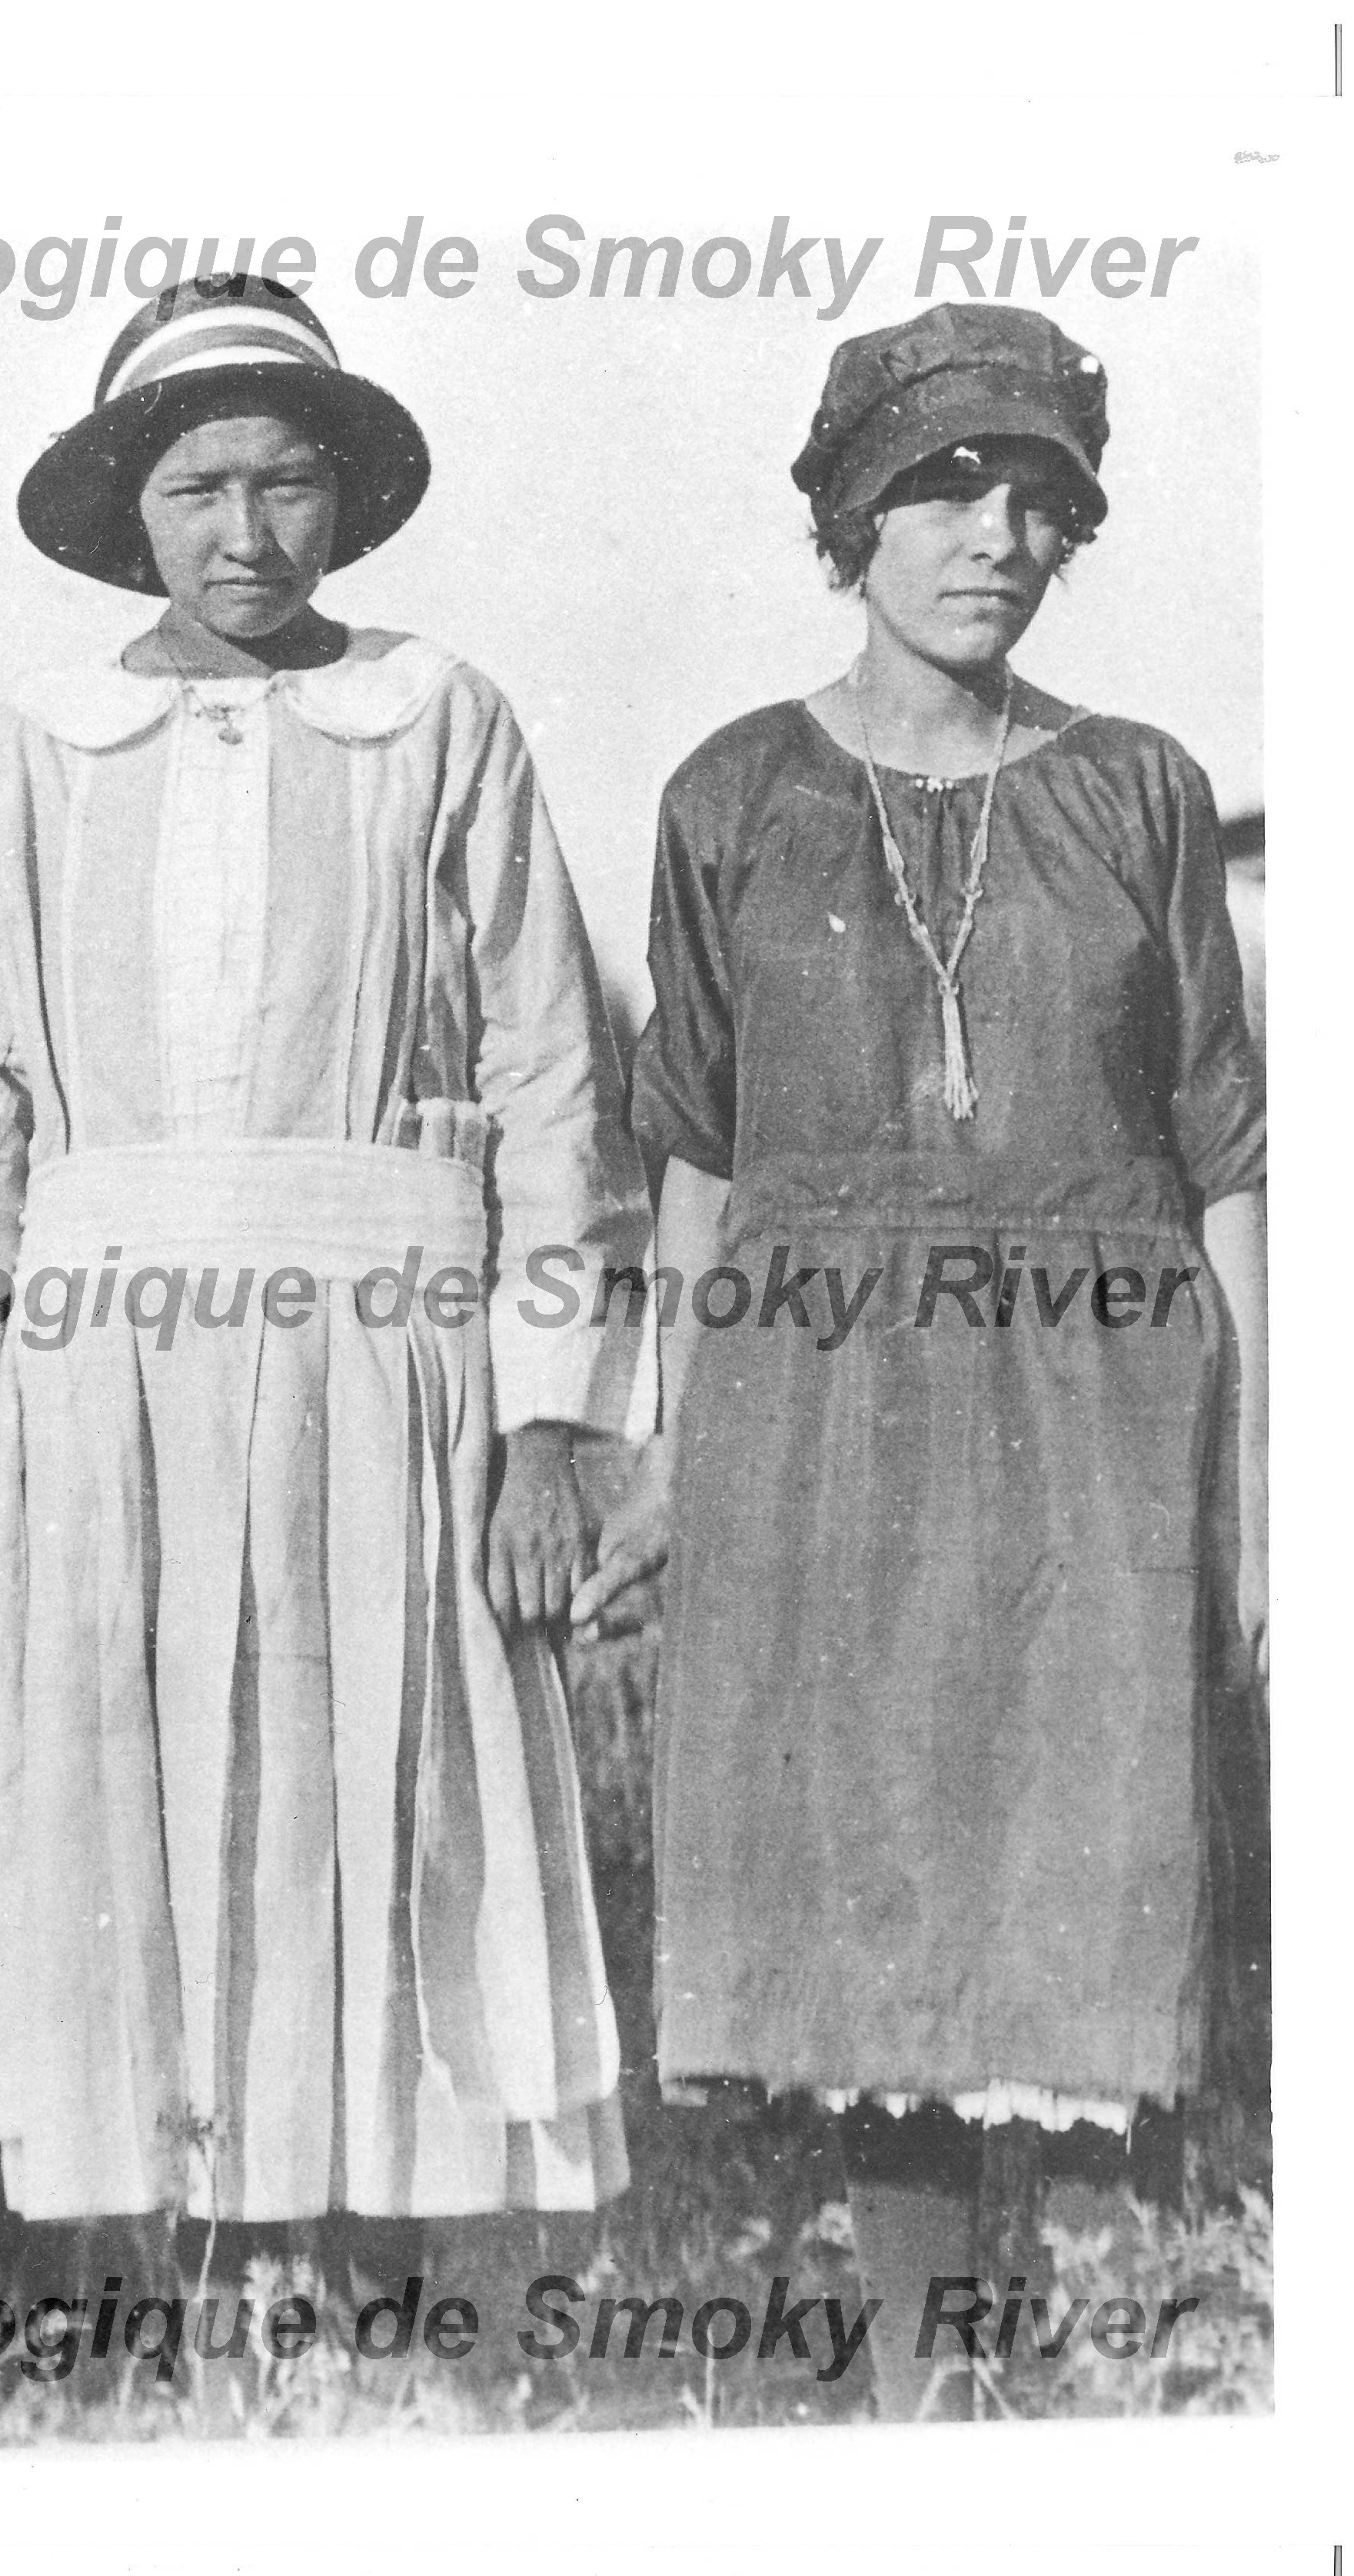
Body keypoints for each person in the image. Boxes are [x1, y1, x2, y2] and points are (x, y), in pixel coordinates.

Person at [0, 277, 647, 2290]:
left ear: (345, 499)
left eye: (288, 484)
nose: (246, 534)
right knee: (130, 1786)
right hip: (104, 1373)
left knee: (374, 1776)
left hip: (385, 1360)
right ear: (129, 506)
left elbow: (551, 1082)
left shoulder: (437, 719)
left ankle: (369, 2269)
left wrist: (547, 1428)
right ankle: (176, 2277)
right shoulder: (33, 753)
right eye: (199, 489)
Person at [578, 302, 1268, 2418]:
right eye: (944, 491)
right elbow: (696, 1159)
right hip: (817, 1397)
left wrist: (1254, 1489)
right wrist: (666, 1452)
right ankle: (917, 2388)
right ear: (846, 520)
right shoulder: (734, 794)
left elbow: (1222, 1160)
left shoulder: (1139, 788)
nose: (996, 539)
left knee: (1062, 1861)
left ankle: (1014, 2352)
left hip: (1094, 1392)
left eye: (1037, 501)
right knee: (860, 1877)